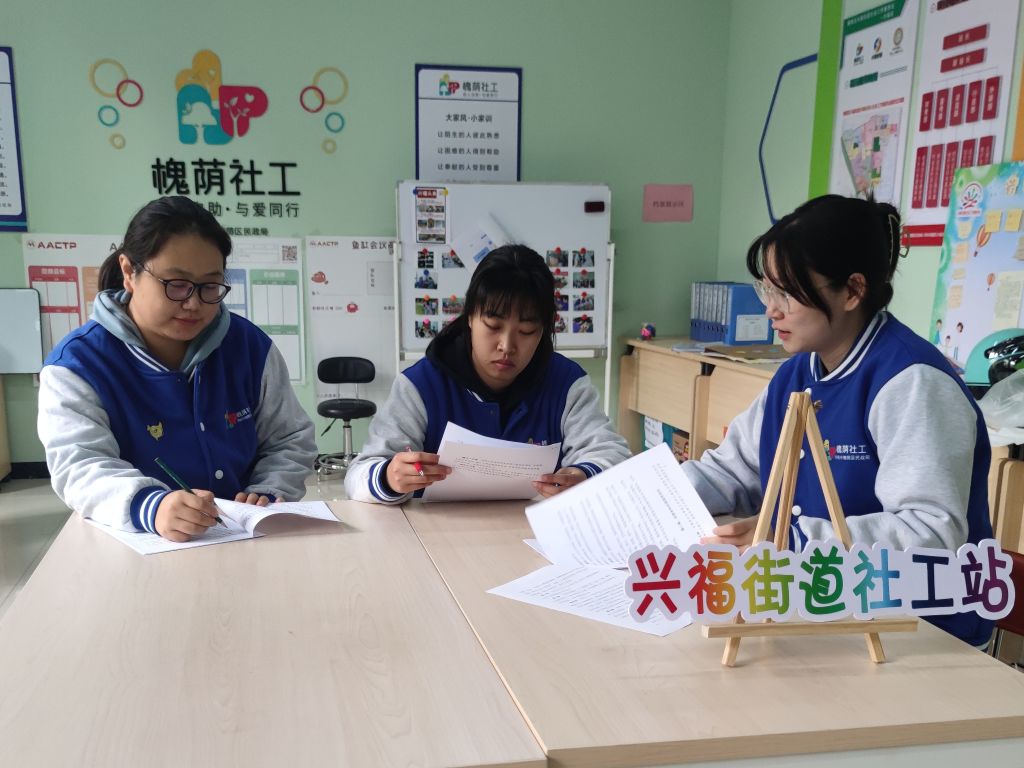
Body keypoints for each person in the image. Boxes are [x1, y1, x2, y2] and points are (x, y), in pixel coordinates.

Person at [685, 195, 993, 647]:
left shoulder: (911, 382)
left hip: (916, 628)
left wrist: (793, 542)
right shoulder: (796, 373)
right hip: (822, 604)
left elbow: (930, 534)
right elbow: (731, 471)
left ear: (852, 291)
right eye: (767, 290)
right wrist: (653, 498)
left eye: (788, 293)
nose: (772, 310)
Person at [37, 196, 317, 542]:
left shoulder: (249, 347)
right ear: (129, 272)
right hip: (138, 542)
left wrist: (269, 490)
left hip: (243, 535)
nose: (193, 303)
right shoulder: (77, 365)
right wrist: (150, 505)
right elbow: (79, 465)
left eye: (210, 286)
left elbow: (289, 438)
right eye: (176, 284)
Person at [345, 244, 630, 503]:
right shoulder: (421, 385)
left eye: (526, 331)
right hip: (436, 535)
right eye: (493, 326)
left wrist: (584, 476)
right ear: (469, 317)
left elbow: (613, 455)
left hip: (533, 533)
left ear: (543, 331)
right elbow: (357, 477)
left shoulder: (566, 384)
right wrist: (389, 477)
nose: (507, 346)